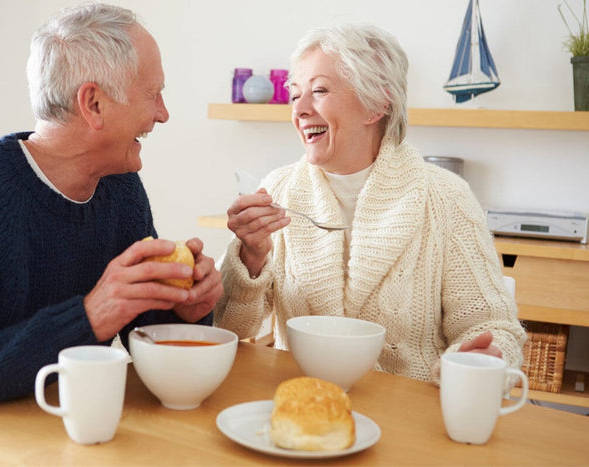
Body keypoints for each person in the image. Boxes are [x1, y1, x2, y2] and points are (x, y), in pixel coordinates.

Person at [0, 3, 222, 417]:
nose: (163, 113)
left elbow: (145, 329)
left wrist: (185, 309)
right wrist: (86, 319)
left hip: (68, 433)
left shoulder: (119, 188)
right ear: (94, 104)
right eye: (152, 94)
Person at [214, 23, 526, 385]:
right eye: (295, 94)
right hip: (302, 408)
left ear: (377, 103)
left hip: (410, 419)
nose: (299, 109)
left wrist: (484, 359)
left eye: (318, 90)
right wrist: (249, 257)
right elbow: (227, 327)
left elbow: (494, 326)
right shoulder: (278, 192)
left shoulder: (446, 198)